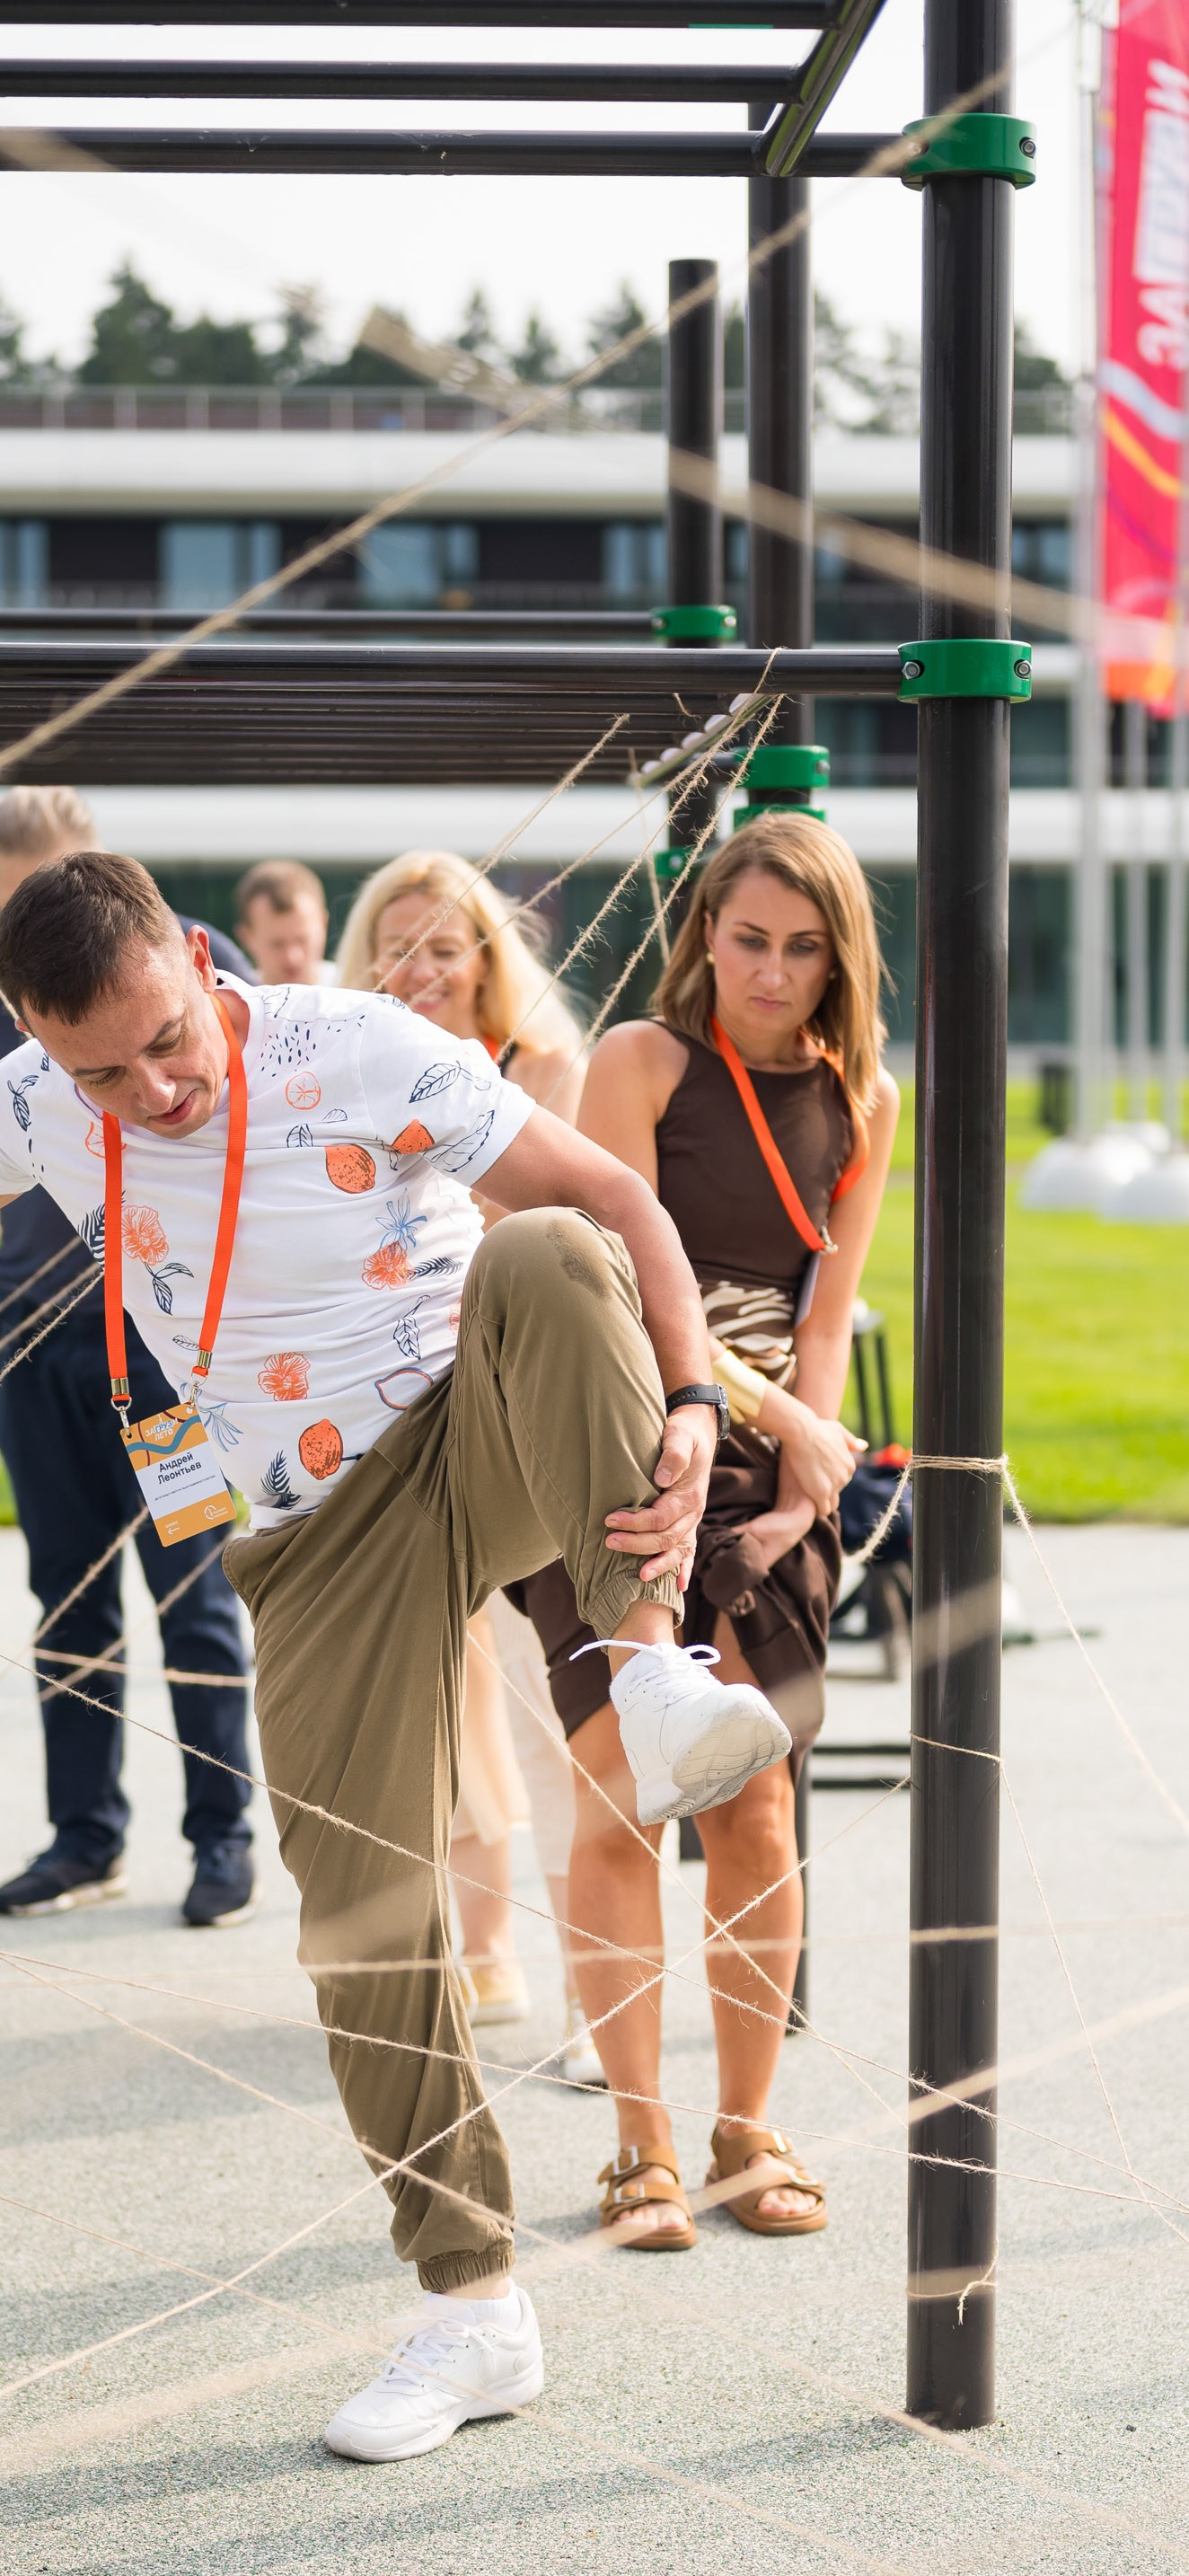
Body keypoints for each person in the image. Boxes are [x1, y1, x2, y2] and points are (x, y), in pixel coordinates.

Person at [0, 849, 790, 2464]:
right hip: (312, 1530)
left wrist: (704, 1408)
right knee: (361, 1925)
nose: (151, 1089)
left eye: (169, 1038)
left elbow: (623, 1206)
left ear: (192, 958)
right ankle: (473, 2310)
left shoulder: (354, 1044)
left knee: (543, 1252)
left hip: (476, 1425)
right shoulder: (41, 1102)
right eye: (102, 1067)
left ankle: (650, 1678)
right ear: (36, 1038)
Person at [509, 810, 897, 2252]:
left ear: (840, 955)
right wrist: (778, 1424)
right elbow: (620, 1287)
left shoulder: (865, 1098)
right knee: (622, 1784)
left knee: (757, 1799)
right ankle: (640, 2145)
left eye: (805, 948)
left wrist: (807, 1481)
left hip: (772, 1470)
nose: (774, 971)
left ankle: (747, 2128)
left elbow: (827, 1312)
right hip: (618, 1433)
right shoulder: (642, 1062)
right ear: (705, 937)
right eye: (750, 940)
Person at [0, 788, 260, 1928]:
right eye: (18, 904)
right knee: (65, 1598)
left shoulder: (174, 988)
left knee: (192, 1591)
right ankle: (85, 1836)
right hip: (34, 1337)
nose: (46, 930)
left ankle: (221, 1837)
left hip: (155, 1347)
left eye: (62, 887)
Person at [335, 851, 594, 2069]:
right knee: (430, 1699)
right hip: (391, 1426)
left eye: (447, 944)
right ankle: (458, 1943)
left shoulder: (545, 1073)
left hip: (522, 1423)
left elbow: (572, 1239)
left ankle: (594, 1980)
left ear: (491, 958)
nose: (422, 965)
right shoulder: (344, 1080)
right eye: (397, 941)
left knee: (556, 1710)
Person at [233, 858, 337, 986]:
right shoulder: (232, 998)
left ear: (324, 925)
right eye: (277, 944)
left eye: (302, 940)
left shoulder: (359, 990)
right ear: (247, 938)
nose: (292, 958)